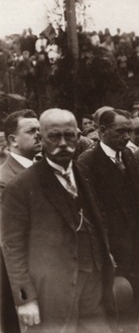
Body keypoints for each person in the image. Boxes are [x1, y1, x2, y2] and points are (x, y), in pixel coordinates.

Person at [1, 109, 113, 332]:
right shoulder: (21, 185)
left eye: (69, 135)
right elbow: (12, 247)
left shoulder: (82, 172)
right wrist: (25, 299)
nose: (63, 143)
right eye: (54, 136)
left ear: (77, 136)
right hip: (50, 293)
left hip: (92, 284)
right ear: (41, 138)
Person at [78, 109, 139, 325]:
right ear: (102, 131)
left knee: (134, 302)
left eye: (129, 130)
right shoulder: (87, 162)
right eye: (120, 131)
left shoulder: (128, 155)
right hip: (111, 249)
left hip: (136, 245)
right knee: (114, 304)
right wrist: (104, 249)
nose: (127, 136)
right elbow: (91, 211)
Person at [0, 110, 41, 333]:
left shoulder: (42, 169)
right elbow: (10, 242)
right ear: (12, 140)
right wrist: (24, 295)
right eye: (31, 131)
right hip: (24, 277)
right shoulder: (5, 180)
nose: (39, 136)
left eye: (40, 130)